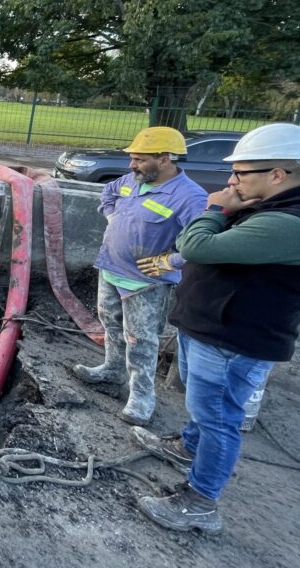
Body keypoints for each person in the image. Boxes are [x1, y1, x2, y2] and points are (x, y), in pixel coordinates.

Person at [134, 123, 300, 534]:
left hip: (234, 338)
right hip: (212, 326)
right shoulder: (265, 208)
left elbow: (197, 246)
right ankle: (188, 447)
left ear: (278, 174)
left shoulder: (287, 222)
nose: (231, 181)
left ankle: (200, 502)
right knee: (203, 407)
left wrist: (214, 209)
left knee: (218, 418)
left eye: (241, 174)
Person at [72, 126, 208, 425]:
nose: (131, 165)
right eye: (132, 158)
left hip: (145, 284)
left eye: (139, 159)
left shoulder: (190, 197)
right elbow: (108, 192)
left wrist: (171, 261)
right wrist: (111, 215)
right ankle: (112, 370)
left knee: (141, 340)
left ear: (164, 158)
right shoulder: (131, 181)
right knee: (110, 324)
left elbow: (202, 241)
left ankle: (141, 396)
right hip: (110, 269)